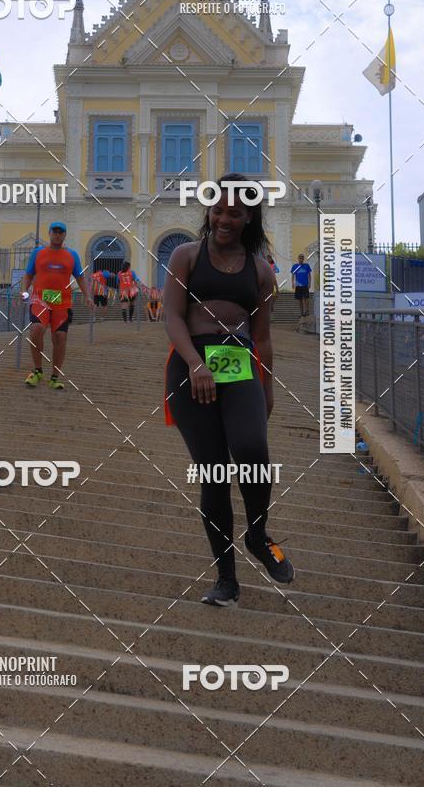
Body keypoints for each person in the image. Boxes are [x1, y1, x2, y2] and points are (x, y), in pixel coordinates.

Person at [164, 173, 294, 606]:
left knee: (253, 450)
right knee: (214, 473)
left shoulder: (260, 272)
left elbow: (263, 337)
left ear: (249, 216)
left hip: (239, 365)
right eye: (217, 210)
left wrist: (268, 388)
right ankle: (226, 580)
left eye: (233, 213)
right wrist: (195, 364)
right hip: (190, 366)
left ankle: (257, 535)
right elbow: (173, 318)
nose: (223, 219)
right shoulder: (185, 255)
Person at [21, 222, 93, 389]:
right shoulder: (38, 253)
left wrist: (88, 296)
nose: (58, 235)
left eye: (61, 232)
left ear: (65, 235)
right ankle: (37, 370)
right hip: (41, 300)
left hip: (62, 303)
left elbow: (81, 278)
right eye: (55, 231)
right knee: (36, 329)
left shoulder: (72, 255)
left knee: (60, 337)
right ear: (49, 233)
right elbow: (28, 275)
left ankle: (54, 377)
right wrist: (24, 291)